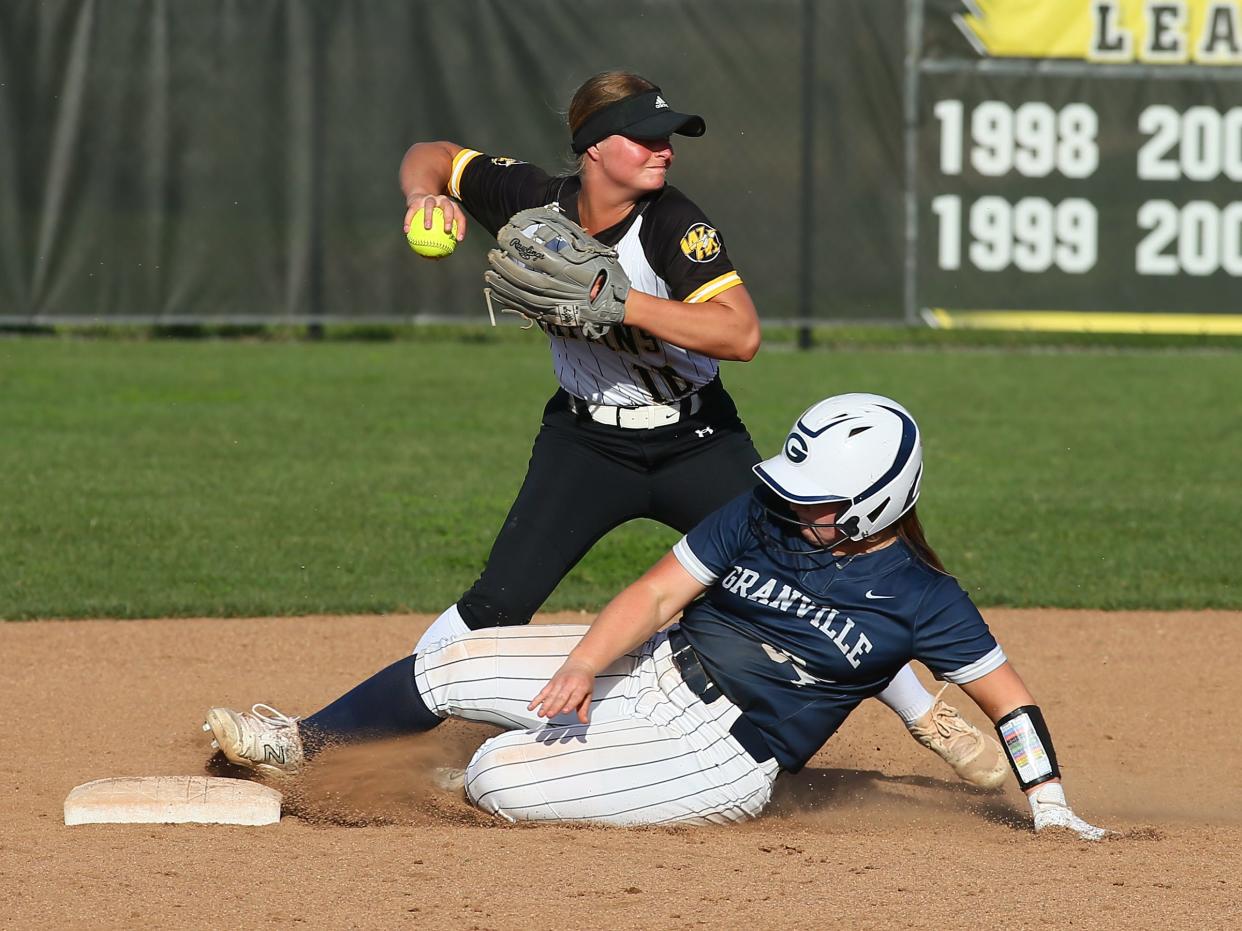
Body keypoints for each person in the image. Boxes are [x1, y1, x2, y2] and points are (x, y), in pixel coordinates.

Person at [396, 69, 1003, 786]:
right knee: (499, 599)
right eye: (647, 136)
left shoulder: (676, 224)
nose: (665, 149)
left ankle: (927, 714)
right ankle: (364, 727)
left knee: (809, 577)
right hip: (585, 442)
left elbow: (740, 334)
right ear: (593, 146)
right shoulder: (532, 201)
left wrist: (622, 305)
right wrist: (424, 196)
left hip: (694, 439)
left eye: (670, 136)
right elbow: (429, 152)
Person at [204, 393, 1106, 838]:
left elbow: (1011, 701)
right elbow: (657, 593)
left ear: (875, 505)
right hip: (656, 667)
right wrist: (586, 665)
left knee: (501, 778)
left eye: (821, 499)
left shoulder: (924, 600)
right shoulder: (764, 511)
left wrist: (1052, 804)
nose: (799, 507)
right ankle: (304, 742)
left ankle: (464, 777)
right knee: (453, 663)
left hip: (722, 755)